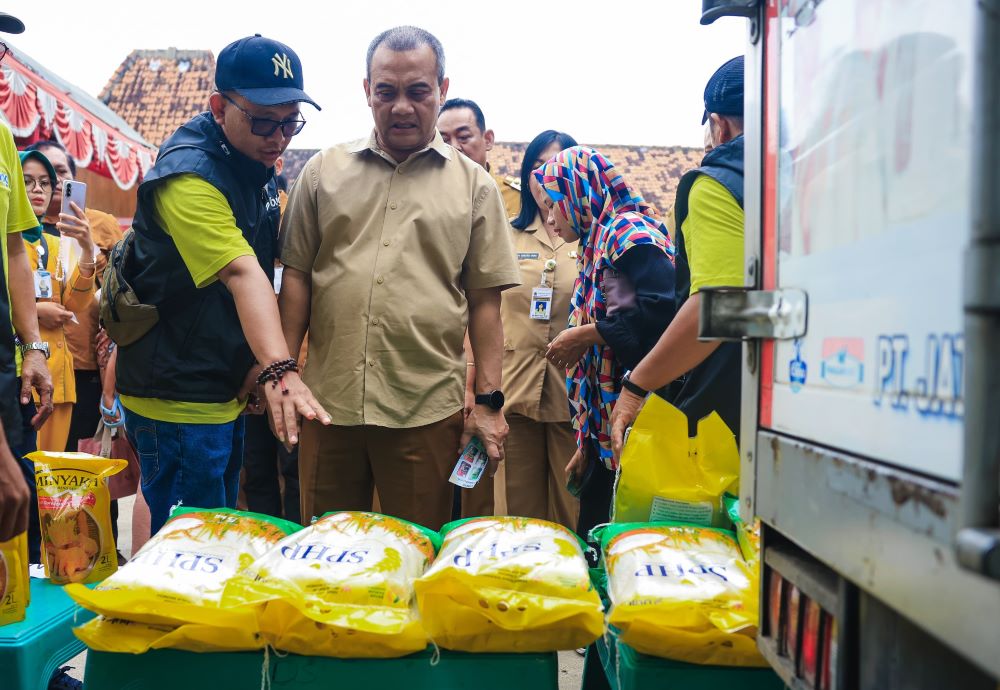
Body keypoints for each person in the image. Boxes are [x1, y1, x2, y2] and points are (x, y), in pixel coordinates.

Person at [279, 25, 519, 530]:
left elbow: (485, 304)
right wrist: (281, 373)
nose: (403, 106)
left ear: (442, 89)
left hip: (424, 410)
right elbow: (297, 278)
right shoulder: (323, 173)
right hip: (329, 405)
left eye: (418, 91)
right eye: (387, 91)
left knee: (412, 554)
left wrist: (490, 404)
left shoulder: (476, 189)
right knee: (322, 552)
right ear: (367, 91)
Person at [113, 34, 329, 534]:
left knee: (216, 523)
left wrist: (256, 364)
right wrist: (278, 367)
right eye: (263, 121)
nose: (278, 138)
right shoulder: (190, 178)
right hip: (178, 388)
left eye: (290, 122)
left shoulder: (251, 162)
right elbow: (243, 271)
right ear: (219, 107)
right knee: (188, 537)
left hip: (217, 379)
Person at [534, 146, 676, 546]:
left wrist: (586, 334)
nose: (549, 219)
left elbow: (662, 313)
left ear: (579, 194)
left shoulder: (629, 234)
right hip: (608, 434)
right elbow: (625, 319)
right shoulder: (598, 244)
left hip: (641, 421)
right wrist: (589, 447)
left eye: (553, 205)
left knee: (629, 548)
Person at [610, 56, 746, 457]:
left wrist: (637, 387)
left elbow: (718, 309)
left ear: (719, 125)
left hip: (728, 409)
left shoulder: (718, 184)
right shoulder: (819, 169)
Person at [498, 129, 580, 528]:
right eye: (536, 166)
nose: (545, 174)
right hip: (513, 388)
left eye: (556, 164)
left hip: (573, 395)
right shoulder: (505, 234)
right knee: (518, 513)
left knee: (572, 511)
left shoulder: (591, 235)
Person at [25, 140, 123, 454]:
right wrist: (37, 312)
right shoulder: (18, 232)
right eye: (35, 179)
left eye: (57, 174)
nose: (49, 185)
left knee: (84, 472)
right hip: (29, 363)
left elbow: (99, 294)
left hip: (84, 365)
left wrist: (86, 247)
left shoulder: (96, 225)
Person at [19, 150, 96, 453]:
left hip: (59, 381)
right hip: (19, 374)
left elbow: (76, 304)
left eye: (44, 182)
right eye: (27, 181)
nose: (38, 189)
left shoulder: (54, 243)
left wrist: (87, 251)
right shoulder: (5, 241)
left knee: (49, 481)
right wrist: (36, 311)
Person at [437, 98, 521, 216]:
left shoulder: (517, 197)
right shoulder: (431, 196)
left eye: (463, 136)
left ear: (488, 139)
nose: (454, 147)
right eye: (444, 140)